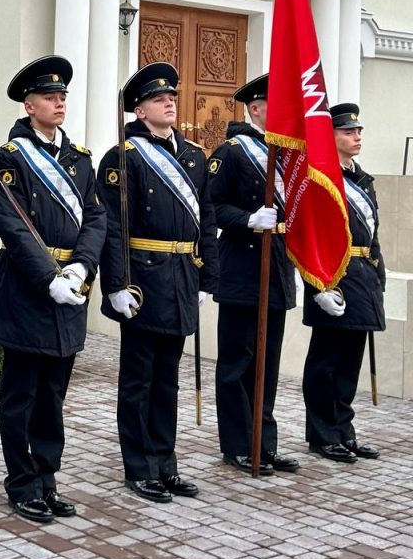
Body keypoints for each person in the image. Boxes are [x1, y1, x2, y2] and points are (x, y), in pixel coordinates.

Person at [0, 56, 106, 523]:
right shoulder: (9, 158)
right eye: (51, 97)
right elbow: (10, 225)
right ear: (29, 105)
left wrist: (79, 270)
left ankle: (47, 478)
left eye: (63, 97)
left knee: (54, 394)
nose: (59, 103)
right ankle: (21, 481)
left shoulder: (80, 159)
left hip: (69, 286)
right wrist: (48, 278)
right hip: (26, 287)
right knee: (22, 394)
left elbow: (96, 218)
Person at [98, 62, 219, 503]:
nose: (169, 103)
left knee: (168, 378)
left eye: (171, 97)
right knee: (139, 379)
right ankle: (139, 467)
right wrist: (114, 284)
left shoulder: (193, 156)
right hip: (142, 279)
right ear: (139, 110)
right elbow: (112, 226)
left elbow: (206, 220)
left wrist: (210, 276)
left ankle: (165, 463)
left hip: (182, 276)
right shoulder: (122, 157)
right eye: (157, 99)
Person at [209, 74, 300, 475]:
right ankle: (237, 444)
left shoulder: (286, 151)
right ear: (256, 107)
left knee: (268, 360)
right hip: (242, 268)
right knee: (237, 361)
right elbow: (210, 207)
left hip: (276, 265)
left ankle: (265, 442)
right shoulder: (231, 151)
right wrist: (247, 219)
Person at [302, 103, 385, 463]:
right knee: (326, 362)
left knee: (350, 361)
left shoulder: (362, 178)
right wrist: (318, 288)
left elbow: (373, 233)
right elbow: (310, 238)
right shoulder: (320, 178)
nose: (357, 136)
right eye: (348, 132)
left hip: (362, 275)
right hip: (333, 276)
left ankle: (343, 431)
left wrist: (379, 276)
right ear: (330, 137)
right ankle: (322, 434)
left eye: (358, 131)